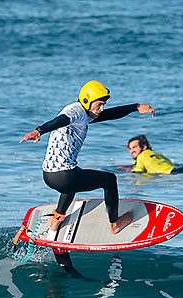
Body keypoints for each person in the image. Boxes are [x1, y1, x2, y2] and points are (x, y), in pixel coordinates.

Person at [20, 80, 155, 235]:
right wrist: (39, 131)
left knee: (74, 179)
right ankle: (115, 224)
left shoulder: (86, 113)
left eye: (103, 104)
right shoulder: (76, 112)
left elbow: (111, 114)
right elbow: (61, 120)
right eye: (99, 105)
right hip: (64, 177)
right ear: (86, 101)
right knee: (109, 180)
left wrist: (136, 107)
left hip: (49, 175)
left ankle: (56, 220)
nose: (101, 109)